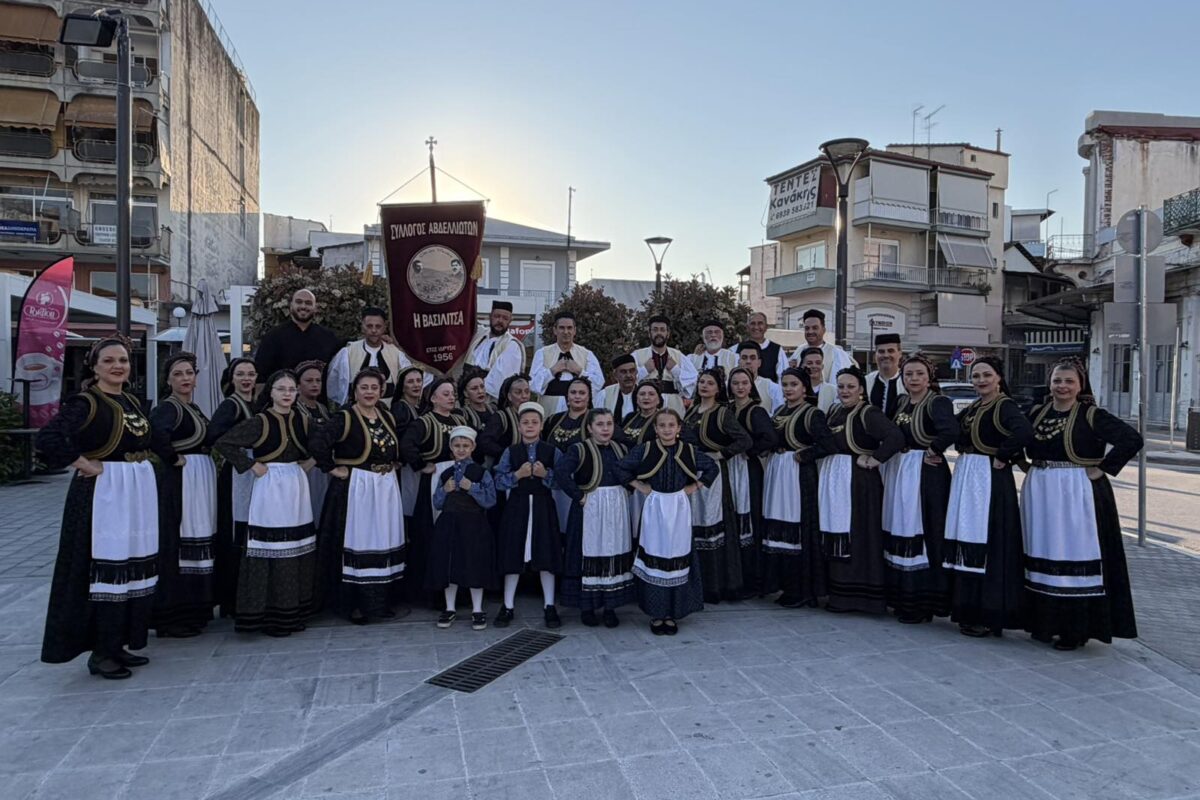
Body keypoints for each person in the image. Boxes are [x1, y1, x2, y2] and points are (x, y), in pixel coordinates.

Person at [38, 337, 165, 679]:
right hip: (103, 494)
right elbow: (49, 438)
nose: (117, 366)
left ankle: (117, 643)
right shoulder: (85, 402)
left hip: (133, 491)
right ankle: (100, 651)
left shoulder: (130, 400)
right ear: (94, 367)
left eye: (122, 360)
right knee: (102, 568)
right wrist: (82, 462)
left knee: (129, 565)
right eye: (108, 360)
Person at [1021, 359, 1142, 650]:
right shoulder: (1037, 412)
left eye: (1068, 381)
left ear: (1080, 385)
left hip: (1076, 492)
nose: (1062, 386)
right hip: (1041, 489)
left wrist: (1103, 467)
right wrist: (1018, 462)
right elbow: (1015, 436)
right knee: (1042, 549)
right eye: (1057, 380)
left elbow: (1131, 439)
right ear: (1049, 383)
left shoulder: (1092, 414)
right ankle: (1045, 623)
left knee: (1071, 552)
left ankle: (1075, 629)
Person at [213, 370, 318, 636]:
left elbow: (325, 440)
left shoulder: (302, 419)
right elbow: (224, 442)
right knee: (270, 548)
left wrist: (313, 460)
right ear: (270, 392)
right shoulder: (260, 421)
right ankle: (270, 615)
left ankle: (292, 612)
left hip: (295, 484)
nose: (287, 394)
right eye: (281, 389)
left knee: (296, 546)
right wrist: (250, 464)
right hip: (270, 485)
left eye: (291, 389)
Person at [943, 357, 1034, 637]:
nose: (980, 380)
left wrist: (1003, 455)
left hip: (989, 479)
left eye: (986, 375)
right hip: (969, 475)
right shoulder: (974, 406)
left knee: (989, 543)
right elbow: (949, 427)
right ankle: (968, 609)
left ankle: (989, 612)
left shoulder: (1004, 405)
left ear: (998, 378)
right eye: (976, 376)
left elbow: (1024, 431)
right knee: (967, 539)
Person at [310, 368, 407, 624]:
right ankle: (353, 604)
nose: (369, 392)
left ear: (381, 391)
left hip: (384, 488)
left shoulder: (385, 415)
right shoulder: (344, 417)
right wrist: (331, 468)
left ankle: (380, 602)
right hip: (356, 490)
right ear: (355, 390)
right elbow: (318, 442)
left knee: (382, 541)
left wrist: (395, 462)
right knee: (358, 543)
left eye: (374, 388)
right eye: (364, 387)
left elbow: (393, 445)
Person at [618, 410, 719, 635]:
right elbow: (621, 467)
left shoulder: (688, 451)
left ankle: (673, 612)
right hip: (655, 507)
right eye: (661, 425)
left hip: (678, 507)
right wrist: (639, 485)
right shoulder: (645, 450)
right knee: (655, 555)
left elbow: (713, 467)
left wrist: (695, 486)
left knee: (677, 556)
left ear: (678, 428)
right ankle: (656, 612)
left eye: (671, 425)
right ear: (655, 428)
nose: (666, 429)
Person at [819, 368, 905, 614]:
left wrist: (875, 459)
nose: (845, 391)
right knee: (838, 533)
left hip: (858, 482)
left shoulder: (868, 413)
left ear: (861, 390)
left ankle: (861, 597)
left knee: (858, 535)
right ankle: (838, 594)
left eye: (850, 386)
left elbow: (894, 437)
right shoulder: (836, 411)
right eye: (841, 386)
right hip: (835, 478)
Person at [883, 354, 956, 624]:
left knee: (923, 531)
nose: (913, 379)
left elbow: (950, 431)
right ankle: (901, 597)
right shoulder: (901, 401)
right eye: (908, 374)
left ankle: (922, 603)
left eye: (918, 374)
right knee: (900, 527)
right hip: (901, 469)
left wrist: (933, 450)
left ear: (929, 377)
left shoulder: (938, 402)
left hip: (924, 472)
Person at [150, 352, 217, 638]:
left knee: (197, 539)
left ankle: (196, 608)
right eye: (178, 374)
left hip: (199, 478)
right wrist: (171, 457)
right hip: (182, 480)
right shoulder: (168, 407)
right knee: (179, 542)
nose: (185, 378)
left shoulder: (193, 407)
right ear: (168, 380)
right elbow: (154, 433)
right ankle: (173, 614)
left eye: (189, 373)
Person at [761, 367, 834, 608]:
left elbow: (828, 444)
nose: (788, 389)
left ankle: (802, 588)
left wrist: (805, 455)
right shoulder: (780, 411)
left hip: (798, 475)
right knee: (777, 527)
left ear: (804, 387)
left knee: (799, 529)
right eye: (785, 384)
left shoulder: (813, 414)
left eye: (793, 384)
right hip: (778, 473)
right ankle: (782, 584)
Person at [557, 409, 635, 627]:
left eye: (609, 424)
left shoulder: (621, 448)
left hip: (615, 507)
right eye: (600, 424)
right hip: (589, 506)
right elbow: (561, 472)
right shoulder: (578, 449)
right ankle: (587, 607)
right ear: (589, 428)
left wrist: (629, 489)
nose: (605, 429)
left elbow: (632, 471)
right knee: (587, 553)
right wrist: (579, 495)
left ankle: (610, 607)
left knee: (612, 550)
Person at [682, 369, 752, 603]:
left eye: (710, 383)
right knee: (695, 525)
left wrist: (721, 454)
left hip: (714, 477)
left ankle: (719, 585)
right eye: (701, 382)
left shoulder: (722, 413)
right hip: (692, 474)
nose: (704, 386)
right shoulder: (691, 411)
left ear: (718, 388)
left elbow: (744, 440)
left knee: (715, 526)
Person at [494, 402, 563, 629]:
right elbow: (498, 480)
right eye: (525, 423)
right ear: (519, 426)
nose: (530, 426)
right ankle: (507, 605)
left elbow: (562, 481)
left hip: (543, 506)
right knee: (513, 554)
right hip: (518, 506)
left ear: (541, 426)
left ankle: (550, 605)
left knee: (546, 554)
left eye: (534, 422)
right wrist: (517, 475)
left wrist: (546, 475)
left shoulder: (552, 451)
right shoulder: (510, 452)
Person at [398, 377, 466, 603]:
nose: (451, 397)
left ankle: (457, 588)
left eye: (452, 393)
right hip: (435, 479)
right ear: (433, 397)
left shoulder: (460, 419)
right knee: (431, 533)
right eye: (445, 394)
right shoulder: (423, 422)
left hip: (459, 477)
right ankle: (431, 591)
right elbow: (406, 445)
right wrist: (421, 465)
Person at [429, 426, 497, 631]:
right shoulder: (446, 473)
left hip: (473, 524)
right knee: (449, 565)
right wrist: (445, 490)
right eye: (457, 446)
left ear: (473, 447)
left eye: (465, 446)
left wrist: (472, 488)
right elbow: (437, 503)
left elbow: (490, 500)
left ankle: (477, 609)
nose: (461, 450)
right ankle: (450, 608)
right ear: (451, 447)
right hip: (449, 523)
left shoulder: (481, 472)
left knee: (474, 564)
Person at [206, 357, 258, 617]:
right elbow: (215, 436)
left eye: (250, 374)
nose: (247, 378)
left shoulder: (254, 404)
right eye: (241, 374)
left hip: (253, 473)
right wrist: (243, 460)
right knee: (234, 531)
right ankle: (231, 598)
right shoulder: (230, 405)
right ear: (232, 379)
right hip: (237, 473)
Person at [727, 367, 777, 597]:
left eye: (744, 382)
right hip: (729, 468)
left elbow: (770, 438)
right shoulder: (726, 409)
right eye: (735, 383)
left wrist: (752, 451)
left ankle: (753, 580)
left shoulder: (755, 411)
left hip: (747, 469)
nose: (739, 387)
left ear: (751, 385)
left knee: (750, 520)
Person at [327, 306, 424, 406]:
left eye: (378, 326)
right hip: (356, 412)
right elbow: (334, 385)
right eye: (369, 326)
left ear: (384, 327)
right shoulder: (348, 352)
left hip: (389, 413)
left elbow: (410, 381)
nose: (373, 330)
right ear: (362, 327)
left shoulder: (396, 353)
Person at [253, 289, 341, 384]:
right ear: (291, 306)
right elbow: (261, 374)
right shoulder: (273, 336)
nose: (303, 306)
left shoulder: (328, 337)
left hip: (319, 398)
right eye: (299, 302)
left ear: (315, 308)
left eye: (308, 303)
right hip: (284, 396)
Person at [542, 378, 593, 530]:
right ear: (567, 397)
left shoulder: (595, 420)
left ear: (589, 397)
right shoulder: (553, 419)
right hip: (552, 483)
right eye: (573, 392)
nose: (577, 396)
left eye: (582, 393)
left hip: (580, 485)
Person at [530, 311, 604, 415]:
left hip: (580, 413)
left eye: (569, 328)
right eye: (562, 328)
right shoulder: (542, 353)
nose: (566, 332)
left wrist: (579, 371)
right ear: (555, 330)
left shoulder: (586, 354)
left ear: (575, 330)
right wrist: (553, 370)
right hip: (549, 411)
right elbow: (532, 385)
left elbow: (598, 383)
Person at [632, 315, 697, 414]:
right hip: (646, 405)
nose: (659, 333)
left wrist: (676, 370)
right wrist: (644, 370)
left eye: (662, 330)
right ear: (649, 333)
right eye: (655, 330)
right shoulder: (637, 355)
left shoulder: (678, 356)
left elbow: (693, 382)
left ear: (668, 334)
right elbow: (627, 381)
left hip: (674, 406)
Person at [390, 365, 427, 533]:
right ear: (402, 386)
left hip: (419, 464)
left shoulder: (421, 407)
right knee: (409, 507)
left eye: (419, 381)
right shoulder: (400, 408)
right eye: (411, 381)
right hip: (407, 467)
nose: (416, 385)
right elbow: (397, 437)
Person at [295, 360, 332, 523]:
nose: (315, 384)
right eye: (309, 381)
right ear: (298, 385)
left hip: (323, 468)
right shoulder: (294, 410)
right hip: (304, 467)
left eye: (318, 380)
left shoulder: (322, 408)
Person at [467, 300, 526, 401]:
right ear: (490, 316)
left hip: (488, 400)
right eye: (497, 316)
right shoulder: (479, 335)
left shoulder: (512, 345)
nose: (500, 321)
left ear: (510, 321)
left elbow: (500, 377)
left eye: (505, 318)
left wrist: (474, 389)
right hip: (466, 394)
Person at [799, 309, 856, 383]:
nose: (810, 332)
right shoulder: (799, 351)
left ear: (823, 330)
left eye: (815, 328)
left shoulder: (836, 353)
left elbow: (839, 385)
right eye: (807, 328)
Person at [735, 311, 789, 382]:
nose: (756, 327)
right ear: (747, 327)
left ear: (766, 327)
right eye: (752, 323)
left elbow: (783, 377)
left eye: (760, 323)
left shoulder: (777, 350)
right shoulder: (736, 350)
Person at [865, 334, 905, 420]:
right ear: (875, 355)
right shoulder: (866, 381)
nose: (886, 355)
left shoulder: (907, 381)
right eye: (881, 351)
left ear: (900, 353)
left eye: (891, 351)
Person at [736, 341, 784, 413]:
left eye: (752, 358)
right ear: (739, 362)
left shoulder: (772, 387)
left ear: (759, 363)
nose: (748, 361)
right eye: (744, 358)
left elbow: (779, 416)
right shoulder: (729, 386)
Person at [796, 346, 837, 413]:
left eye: (818, 363)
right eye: (809, 363)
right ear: (802, 366)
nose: (814, 366)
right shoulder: (796, 389)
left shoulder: (832, 390)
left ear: (822, 366)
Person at [458, 371, 497, 439]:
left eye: (482, 387)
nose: (480, 391)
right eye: (474, 388)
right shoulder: (463, 414)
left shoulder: (494, 409)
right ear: (466, 393)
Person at [602, 354, 639, 421]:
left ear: (636, 372)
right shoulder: (605, 395)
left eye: (632, 371)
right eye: (623, 372)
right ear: (615, 375)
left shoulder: (644, 393)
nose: (628, 375)